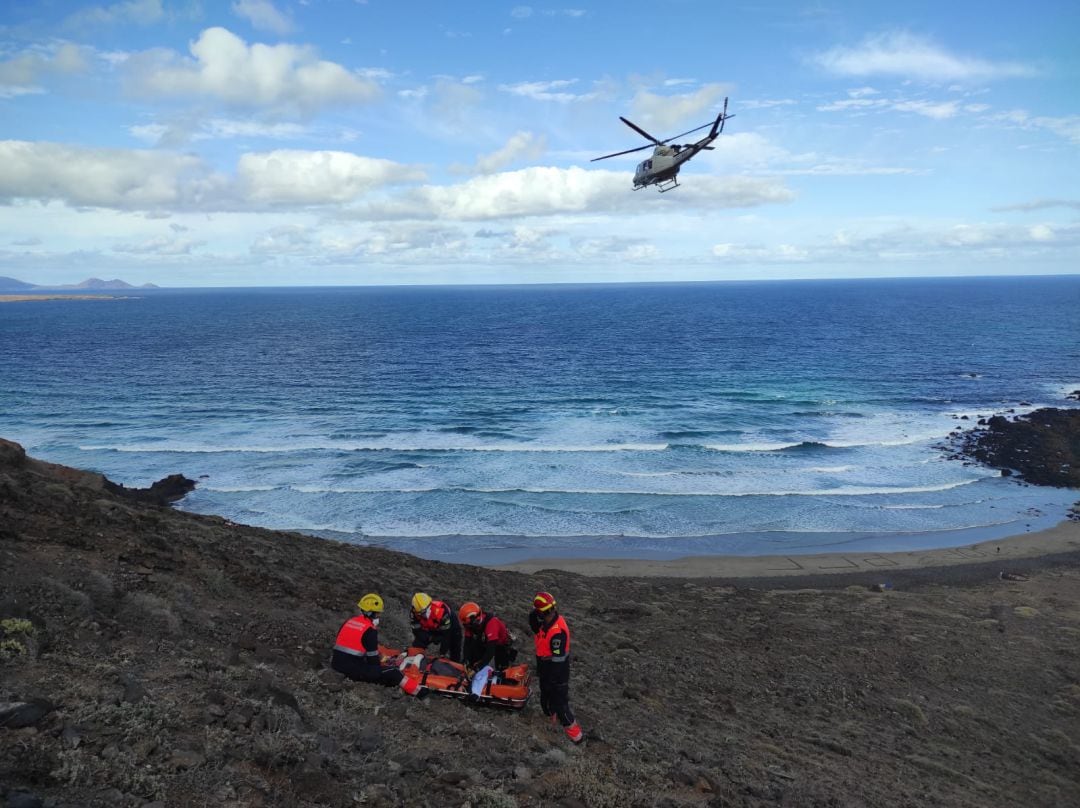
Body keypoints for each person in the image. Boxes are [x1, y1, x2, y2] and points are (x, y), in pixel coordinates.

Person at [331, 593, 423, 697]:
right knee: (393, 672)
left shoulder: (349, 621)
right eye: (377, 614)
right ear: (371, 613)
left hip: (336, 663)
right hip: (351, 669)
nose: (379, 616)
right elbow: (373, 662)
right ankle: (420, 692)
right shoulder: (370, 630)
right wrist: (385, 665)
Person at [529, 591, 583, 744]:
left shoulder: (557, 632)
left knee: (560, 705)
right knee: (545, 701)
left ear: (543, 612)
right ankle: (551, 722)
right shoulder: (546, 623)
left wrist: (552, 681)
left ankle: (577, 737)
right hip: (545, 669)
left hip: (557, 673)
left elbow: (558, 661)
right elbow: (533, 624)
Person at [459, 601, 516, 698]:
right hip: (484, 641)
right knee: (472, 659)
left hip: (500, 645)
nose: (466, 627)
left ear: (475, 619)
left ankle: (497, 685)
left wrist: (476, 668)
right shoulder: (471, 625)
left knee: (501, 670)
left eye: (467, 624)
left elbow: (490, 652)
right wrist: (466, 660)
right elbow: (467, 644)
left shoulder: (491, 624)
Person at [410, 592, 463, 662]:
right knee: (418, 643)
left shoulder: (442, 612)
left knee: (455, 646)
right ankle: (414, 661)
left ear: (430, 604)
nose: (424, 614)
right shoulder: (414, 613)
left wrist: (442, 653)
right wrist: (430, 638)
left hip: (451, 627)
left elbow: (447, 635)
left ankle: (455, 666)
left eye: (426, 610)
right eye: (421, 613)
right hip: (431, 628)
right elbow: (416, 631)